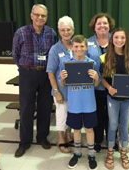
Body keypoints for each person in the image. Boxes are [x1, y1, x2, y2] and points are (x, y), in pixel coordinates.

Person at [12, 4, 57, 157]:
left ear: (47, 17)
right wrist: (24, 69)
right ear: (31, 15)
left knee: (45, 107)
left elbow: (54, 54)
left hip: (46, 74)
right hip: (28, 73)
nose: (40, 18)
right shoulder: (21, 32)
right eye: (37, 15)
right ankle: (25, 142)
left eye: (43, 16)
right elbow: (15, 54)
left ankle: (42, 137)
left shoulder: (51, 33)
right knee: (26, 108)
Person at [101, 28, 129, 169]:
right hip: (113, 98)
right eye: (116, 37)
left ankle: (124, 152)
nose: (119, 40)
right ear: (111, 39)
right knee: (113, 125)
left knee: (124, 125)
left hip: (127, 99)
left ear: (127, 40)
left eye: (122, 38)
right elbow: (102, 78)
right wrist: (109, 87)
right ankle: (110, 152)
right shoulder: (106, 56)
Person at [60, 35, 100, 170]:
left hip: (89, 104)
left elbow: (96, 84)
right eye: (76, 46)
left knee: (89, 129)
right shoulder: (68, 64)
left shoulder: (91, 63)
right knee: (76, 129)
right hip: (74, 104)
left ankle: (91, 154)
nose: (79, 49)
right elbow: (64, 85)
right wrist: (61, 78)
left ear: (86, 47)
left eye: (82, 46)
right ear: (72, 47)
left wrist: (96, 78)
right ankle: (77, 153)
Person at [87, 13, 115, 152]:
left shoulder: (116, 40)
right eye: (99, 23)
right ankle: (97, 140)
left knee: (112, 116)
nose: (102, 26)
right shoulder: (87, 43)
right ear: (94, 26)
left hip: (113, 86)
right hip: (95, 87)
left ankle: (112, 140)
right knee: (98, 115)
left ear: (110, 26)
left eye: (105, 23)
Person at [47, 16, 74, 153]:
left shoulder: (76, 46)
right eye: (63, 30)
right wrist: (56, 91)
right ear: (59, 31)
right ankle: (61, 140)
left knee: (71, 114)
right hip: (61, 90)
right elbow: (50, 72)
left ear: (73, 30)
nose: (66, 32)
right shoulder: (55, 49)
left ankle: (69, 135)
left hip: (74, 90)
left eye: (68, 29)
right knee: (61, 114)